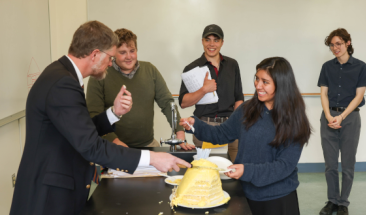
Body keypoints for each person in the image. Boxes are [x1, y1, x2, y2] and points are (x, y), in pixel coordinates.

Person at [10, 21, 190, 215]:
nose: (111, 63)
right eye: (111, 57)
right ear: (95, 54)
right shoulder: (63, 83)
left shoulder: (61, 75)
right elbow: (91, 145)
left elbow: (80, 129)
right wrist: (151, 157)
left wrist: (114, 113)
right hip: (48, 197)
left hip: (56, 190)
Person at [180, 57, 311, 215]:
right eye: (257, 79)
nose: (258, 85)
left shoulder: (294, 119)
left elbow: (284, 166)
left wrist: (246, 171)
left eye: (265, 82)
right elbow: (221, 133)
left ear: (282, 84)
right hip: (246, 194)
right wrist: (195, 125)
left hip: (278, 200)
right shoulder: (247, 109)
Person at [86, 28, 194, 150]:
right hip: (111, 146)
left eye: (132, 51)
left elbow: (167, 103)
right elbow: (93, 115)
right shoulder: (99, 75)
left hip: (147, 145)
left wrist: (179, 131)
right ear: (113, 53)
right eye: (122, 52)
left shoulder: (150, 70)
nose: (129, 57)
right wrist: (114, 141)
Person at [318, 28, 366, 215]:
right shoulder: (327, 67)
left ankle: (343, 203)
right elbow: (323, 93)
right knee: (330, 164)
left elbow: (358, 96)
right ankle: (332, 201)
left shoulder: (361, 67)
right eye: (332, 45)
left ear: (348, 43)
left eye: (338, 43)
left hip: (350, 118)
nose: (334, 48)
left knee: (348, 164)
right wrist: (329, 115)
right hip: (329, 117)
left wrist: (341, 116)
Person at [179, 24, 244, 162]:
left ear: (222, 42)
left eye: (216, 40)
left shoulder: (233, 65)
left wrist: (237, 123)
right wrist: (203, 90)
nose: (211, 44)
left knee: (235, 172)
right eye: (207, 39)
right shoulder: (191, 68)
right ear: (202, 41)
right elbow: (183, 102)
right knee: (206, 173)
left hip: (230, 126)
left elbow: (238, 97)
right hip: (204, 127)